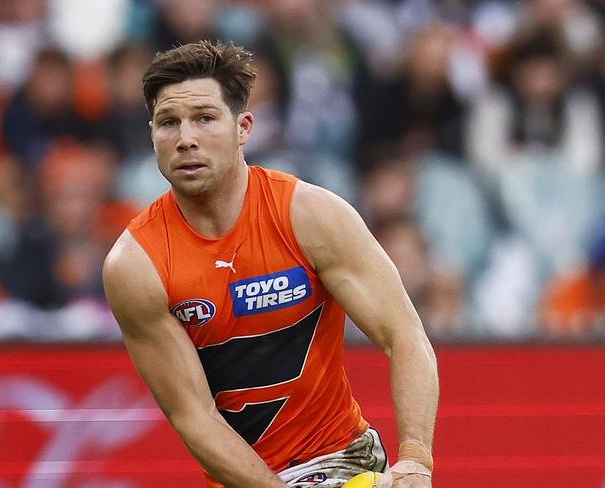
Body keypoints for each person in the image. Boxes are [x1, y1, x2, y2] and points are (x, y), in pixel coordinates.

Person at [102, 40, 438, 488]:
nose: (185, 139)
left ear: (244, 127)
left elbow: (405, 335)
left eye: (204, 118)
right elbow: (195, 418)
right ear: (152, 135)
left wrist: (415, 459)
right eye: (169, 123)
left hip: (345, 461)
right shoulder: (135, 265)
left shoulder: (311, 216)